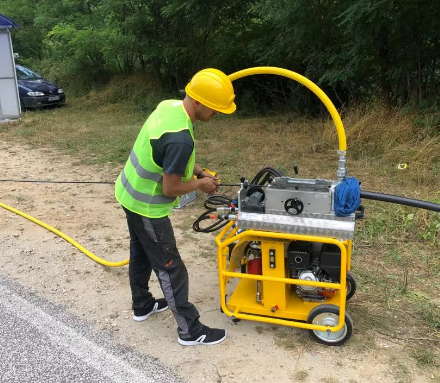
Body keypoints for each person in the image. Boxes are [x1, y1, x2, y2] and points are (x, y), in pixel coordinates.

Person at [115, 68, 236, 346]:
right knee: (171, 267)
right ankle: (190, 331)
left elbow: (169, 159)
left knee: (142, 254)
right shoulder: (180, 137)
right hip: (147, 207)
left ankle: (142, 305)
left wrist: (199, 171)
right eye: (215, 108)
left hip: (129, 194)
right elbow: (170, 188)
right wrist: (200, 185)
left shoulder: (170, 106)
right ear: (197, 102)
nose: (217, 113)